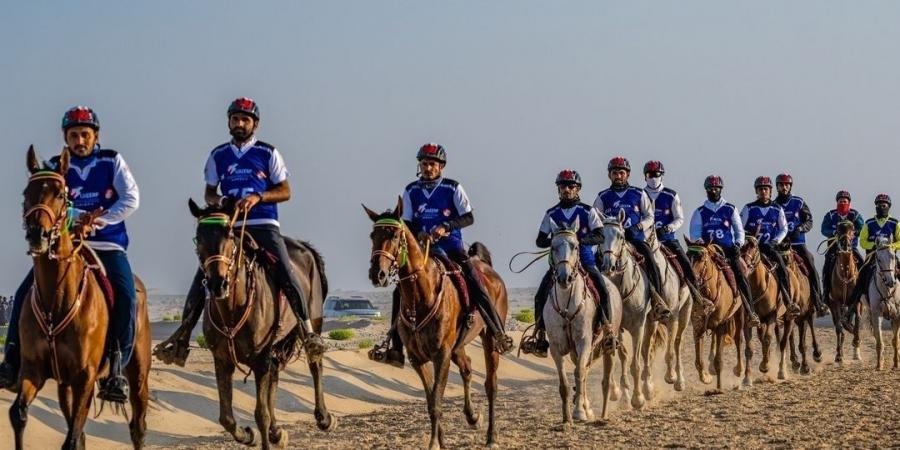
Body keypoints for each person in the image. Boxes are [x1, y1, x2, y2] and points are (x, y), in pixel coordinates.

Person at [155, 97, 326, 365]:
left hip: (264, 224)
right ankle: (182, 337)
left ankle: (306, 331)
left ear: (254, 124)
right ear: (228, 122)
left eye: (245, 119)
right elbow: (209, 192)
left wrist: (258, 197)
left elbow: (285, 191)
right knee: (204, 274)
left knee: (285, 270)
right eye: (235, 119)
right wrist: (221, 201)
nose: (239, 124)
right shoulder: (218, 155)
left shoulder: (268, 153)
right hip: (229, 227)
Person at [0, 106, 140, 403]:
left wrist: (99, 220)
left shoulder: (111, 160)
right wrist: (75, 218)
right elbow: (48, 202)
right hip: (64, 247)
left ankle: (116, 368)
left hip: (106, 244)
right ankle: (11, 361)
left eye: (85, 135)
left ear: (95, 136)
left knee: (127, 295)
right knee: (24, 291)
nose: (79, 140)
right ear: (66, 138)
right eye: (73, 135)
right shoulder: (54, 166)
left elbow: (131, 198)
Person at [371, 143, 514, 367]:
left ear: (441, 167)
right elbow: (406, 222)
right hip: (422, 251)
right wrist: (420, 233)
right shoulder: (411, 190)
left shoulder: (452, 188)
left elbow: (468, 217)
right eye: (424, 164)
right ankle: (396, 348)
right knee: (401, 290)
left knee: (475, 282)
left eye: (432, 164)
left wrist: (445, 227)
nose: (428, 168)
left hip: (451, 247)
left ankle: (497, 332)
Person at [521, 170, 612, 358]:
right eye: (563, 186)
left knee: (602, 289)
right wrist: (556, 240)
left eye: (571, 186)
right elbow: (540, 240)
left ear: (577, 189)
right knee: (540, 295)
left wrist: (579, 241)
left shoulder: (588, 211)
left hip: (585, 259)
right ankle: (540, 335)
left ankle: (609, 330)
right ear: (558, 190)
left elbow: (600, 235)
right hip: (559, 263)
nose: (567, 190)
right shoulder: (551, 213)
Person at [593, 157, 670, 318]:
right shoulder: (602, 196)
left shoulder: (638, 193)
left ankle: (658, 300)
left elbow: (650, 217)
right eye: (615, 173)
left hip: (635, 239)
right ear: (609, 175)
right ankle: (596, 304)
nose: (618, 176)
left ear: (627, 174)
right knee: (593, 264)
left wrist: (638, 227)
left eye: (621, 172)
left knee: (651, 260)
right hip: (611, 242)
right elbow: (594, 219)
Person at [688, 175, 761, 326]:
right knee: (691, 271)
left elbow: (739, 230)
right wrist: (698, 241)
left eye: (716, 188)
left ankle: (750, 311)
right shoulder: (700, 211)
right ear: (706, 190)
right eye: (710, 189)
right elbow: (694, 232)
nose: (713, 191)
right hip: (707, 250)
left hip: (727, 250)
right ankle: (691, 305)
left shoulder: (730, 209)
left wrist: (738, 244)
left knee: (741, 273)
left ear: (720, 190)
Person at [642, 160, 709, 308]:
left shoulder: (671, 195)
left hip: (667, 239)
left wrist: (668, 228)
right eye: (650, 174)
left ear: (662, 175)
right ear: (645, 177)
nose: (653, 178)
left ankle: (697, 296)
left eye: (656, 174)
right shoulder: (640, 195)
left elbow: (680, 218)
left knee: (686, 263)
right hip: (645, 240)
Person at [740, 176, 799, 315]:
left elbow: (783, 228)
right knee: (738, 269)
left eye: (766, 189)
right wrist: (748, 237)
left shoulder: (777, 208)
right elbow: (740, 227)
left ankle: (788, 301)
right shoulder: (749, 208)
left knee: (783, 269)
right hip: (751, 247)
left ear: (770, 191)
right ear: (757, 191)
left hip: (769, 246)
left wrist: (776, 240)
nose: (763, 191)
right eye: (760, 189)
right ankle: (736, 300)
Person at [774, 173, 829, 316]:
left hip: (798, 243)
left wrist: (801, 228)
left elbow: (809, 221)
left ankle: (818, 302)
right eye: (781, 185)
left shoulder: (799, 202)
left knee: (810, 265)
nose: (784, 187)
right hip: (780, 245)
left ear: (790, 186)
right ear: (777, 187)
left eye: (787, 185)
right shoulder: (773, 205)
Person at [842, 194, 900, 328]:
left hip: (890, 258)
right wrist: (874, 245)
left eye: (884, 205)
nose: (881, 207)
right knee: (860, 279)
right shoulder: (869, 223)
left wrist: (891, 246)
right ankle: (849, 313)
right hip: (873, 257)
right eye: (879, 205)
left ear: (888, 207)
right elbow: (862, 242)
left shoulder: (895, 223)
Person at [820, 190, 865, 307]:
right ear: (837, 202)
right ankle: (825, 294)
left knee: (863, 264)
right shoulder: (830, 215)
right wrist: (834, 232)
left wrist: (853, 233)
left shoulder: (855, 215)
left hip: (851, 247)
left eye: (845, 201)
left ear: (849, 203)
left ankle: (864, 293)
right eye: (840, 201)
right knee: (827, 266)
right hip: (834, 248)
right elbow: (824, 229)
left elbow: (862, 227)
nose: (842, 203)